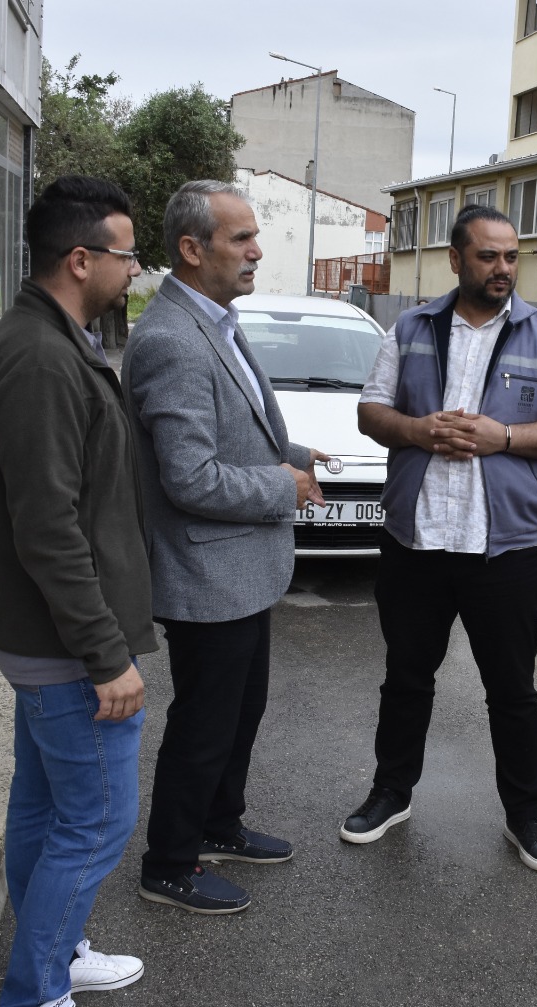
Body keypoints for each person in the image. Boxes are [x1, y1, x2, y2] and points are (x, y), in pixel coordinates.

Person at [340, 204, 537, 872]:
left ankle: (526, 815)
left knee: (511, 689)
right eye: (488, 256)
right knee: (406, 677)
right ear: (456, 259)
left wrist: (503, 437)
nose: (503, 269)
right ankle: (390, 793)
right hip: (418, 541)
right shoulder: (414, 327)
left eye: (512, 256)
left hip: (507, 548)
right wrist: (419, 431)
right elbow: (371, 411)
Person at [0, 175, 152, 1007]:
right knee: (98, 818)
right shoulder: (41, 359)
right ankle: (31, 1006)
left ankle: (57, 952)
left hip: (46, 636)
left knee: (43, 806)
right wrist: (106, 654)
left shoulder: (53, 340)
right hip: (64, 644)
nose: (134, 268)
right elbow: (47, 527)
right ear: (81, 260)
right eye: (126, 254)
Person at [124, 180, 328, 914]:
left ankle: (219, 824)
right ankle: (170, 863)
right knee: (204, 726)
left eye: (253, 236)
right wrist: (286, 487)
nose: (257, 250)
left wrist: (301, 453)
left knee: (241, 713)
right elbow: (189, 477)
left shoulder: (216, 320)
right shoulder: (172, 340)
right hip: (208, 570)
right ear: (191, 248)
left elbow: (236, 428)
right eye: (241, 238)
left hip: (244, 568)